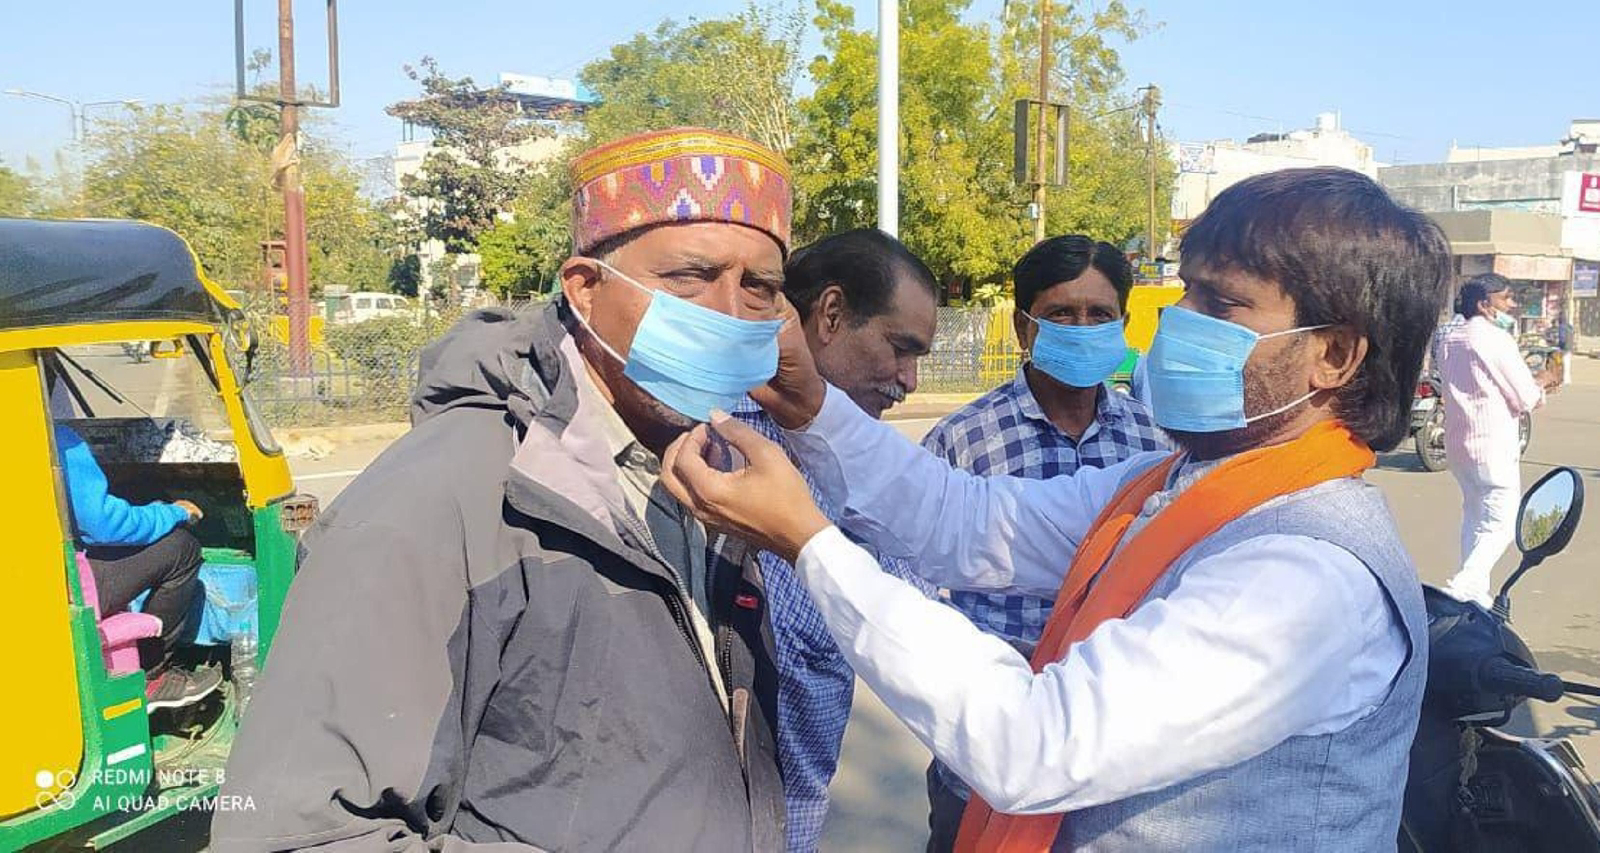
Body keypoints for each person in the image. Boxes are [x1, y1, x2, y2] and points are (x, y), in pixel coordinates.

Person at [663, 167, 1453, 851]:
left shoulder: (1307, 577)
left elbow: (1035, 741)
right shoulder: (1174, 484)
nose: (1177, 321)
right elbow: (967, 521)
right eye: (1186, 291)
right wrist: (811, 407)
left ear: (1333, 355)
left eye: (1221, 305)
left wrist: (810, 543)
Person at [216, 128, 794, 851]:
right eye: (689, 277)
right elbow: (302, 834)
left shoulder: (712, 472)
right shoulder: (438, 502)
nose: (729, 312)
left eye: (759, 287)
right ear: (585, 290)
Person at [920, 235, 1169, 849]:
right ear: (1022, 327)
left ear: (1123, 325)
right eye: (1061, 313)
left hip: (1112, 754)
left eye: (1099, 314)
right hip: (988, 752)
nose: (1082, 328)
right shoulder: (963, 440)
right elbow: (912, 585)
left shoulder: (1154, 441)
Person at [731, 227, 938, 851]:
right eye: (900, 348)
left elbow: (918, 610)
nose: (910, 380)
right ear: (830, 313)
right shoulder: (716, 438)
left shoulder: (863, 467)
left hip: (796, 819)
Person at [54, 422, 215, 709]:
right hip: (62, 584)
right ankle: (153, 676)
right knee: (182, 548)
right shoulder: (56, 438)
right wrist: (173, 512)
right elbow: (103, 524)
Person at [1437, 273, 1558, 607]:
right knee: (1502, 524)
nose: (1511, 305)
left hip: (1459, 445)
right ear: (1483, 304)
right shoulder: (1494, 339)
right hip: (1491, 445)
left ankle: (1475, 596)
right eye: (1505, 298)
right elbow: (1525, 397)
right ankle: (1462, 586)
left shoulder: (1449, 337)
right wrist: (1543, 381)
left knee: (1476, 519)